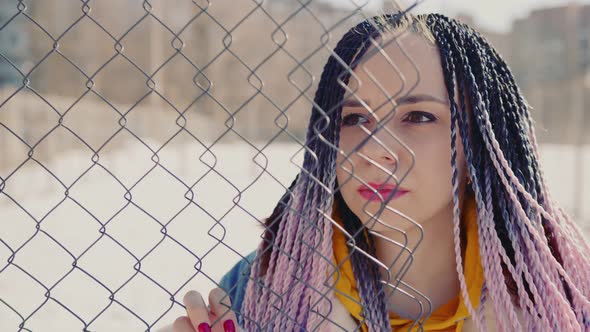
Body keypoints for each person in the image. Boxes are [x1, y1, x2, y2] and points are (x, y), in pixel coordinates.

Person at [170, 12, 590, 332]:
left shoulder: (563, 299)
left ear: (480, 143)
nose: (375, 151)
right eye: (354, 118)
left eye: (419, 116)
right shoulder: (260, 288)